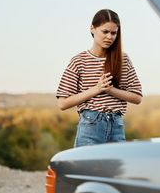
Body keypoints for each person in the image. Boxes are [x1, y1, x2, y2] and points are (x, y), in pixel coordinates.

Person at [56, 9, 142, 147]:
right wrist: (97, 89)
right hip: (91, 126)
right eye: (105, 31)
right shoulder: (79, 61)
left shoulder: (123, 59)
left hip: (117, 126)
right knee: (86, 169)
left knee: (116, 169)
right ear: (92, 28)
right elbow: (62, 103)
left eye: (114, 33)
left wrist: (111, 90)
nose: (110, 37)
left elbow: (137, 97)